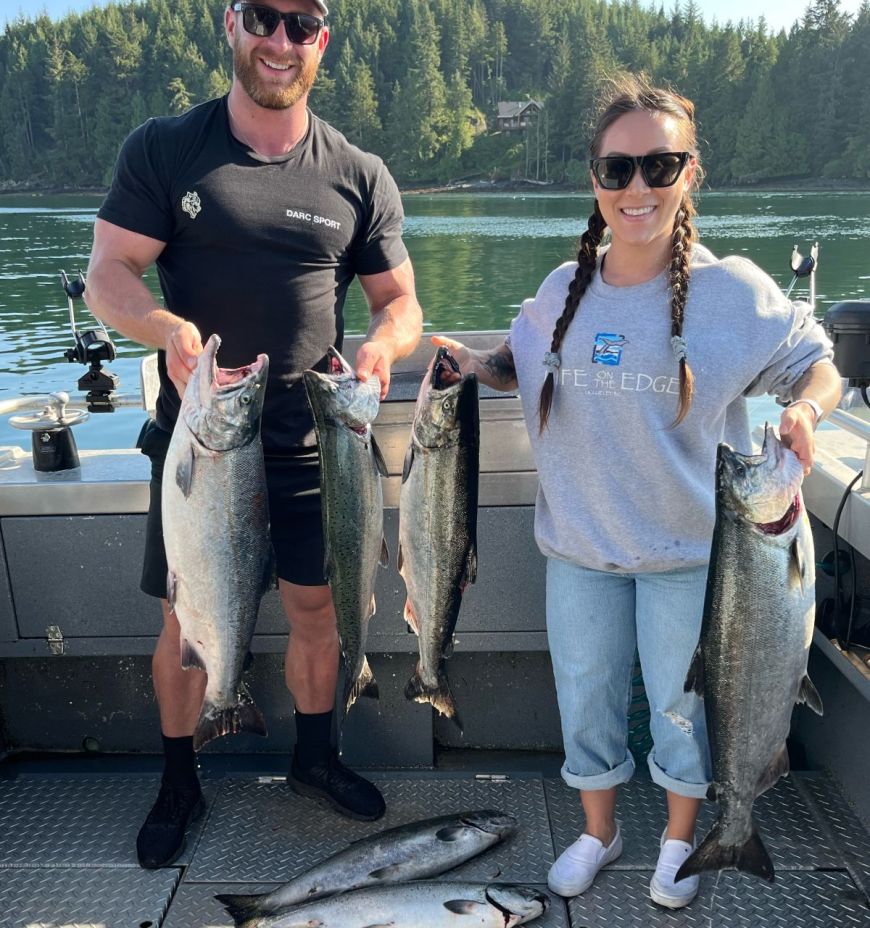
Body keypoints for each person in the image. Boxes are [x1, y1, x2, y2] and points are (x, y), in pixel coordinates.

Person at [433, 74, 840, 909]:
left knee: (686, 712)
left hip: (695, 559)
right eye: (617, 170)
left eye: (661, 166)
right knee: (586, 706)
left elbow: (819, 363)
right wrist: (476, 368)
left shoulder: (736, 292)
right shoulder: (558, 292)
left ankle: (683, 842)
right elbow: (522, 366)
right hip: (578, 551)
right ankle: (599, 830)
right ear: (594, 180)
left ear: (690, 174)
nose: (638, 188)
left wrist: (804, 409)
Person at [85, 0, 423, 870]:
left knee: (317, 609)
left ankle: (315, 757)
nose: (281, 42)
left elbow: (399, 304)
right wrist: (165, 332)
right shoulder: (166, 148)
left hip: (320, 446)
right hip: (202, 443)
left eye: (301, 26)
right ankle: (179, 779)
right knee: (184, 621)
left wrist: (384, 350)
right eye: (265, 19)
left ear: (322, 42)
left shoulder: (357, 172)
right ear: (231, 24)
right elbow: (110, 275)